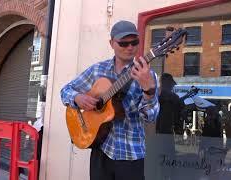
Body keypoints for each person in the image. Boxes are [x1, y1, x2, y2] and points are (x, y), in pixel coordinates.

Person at [60, 20, 159, 180]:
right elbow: (65, 91)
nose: (130, 47)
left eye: (134, 42)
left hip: (130, 155)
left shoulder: (147, 75)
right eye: (123, 43)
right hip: (101, 150)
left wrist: (148, 90)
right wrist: (78, 98)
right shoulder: (97, 70)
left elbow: (150, 117)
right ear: (112, 43)